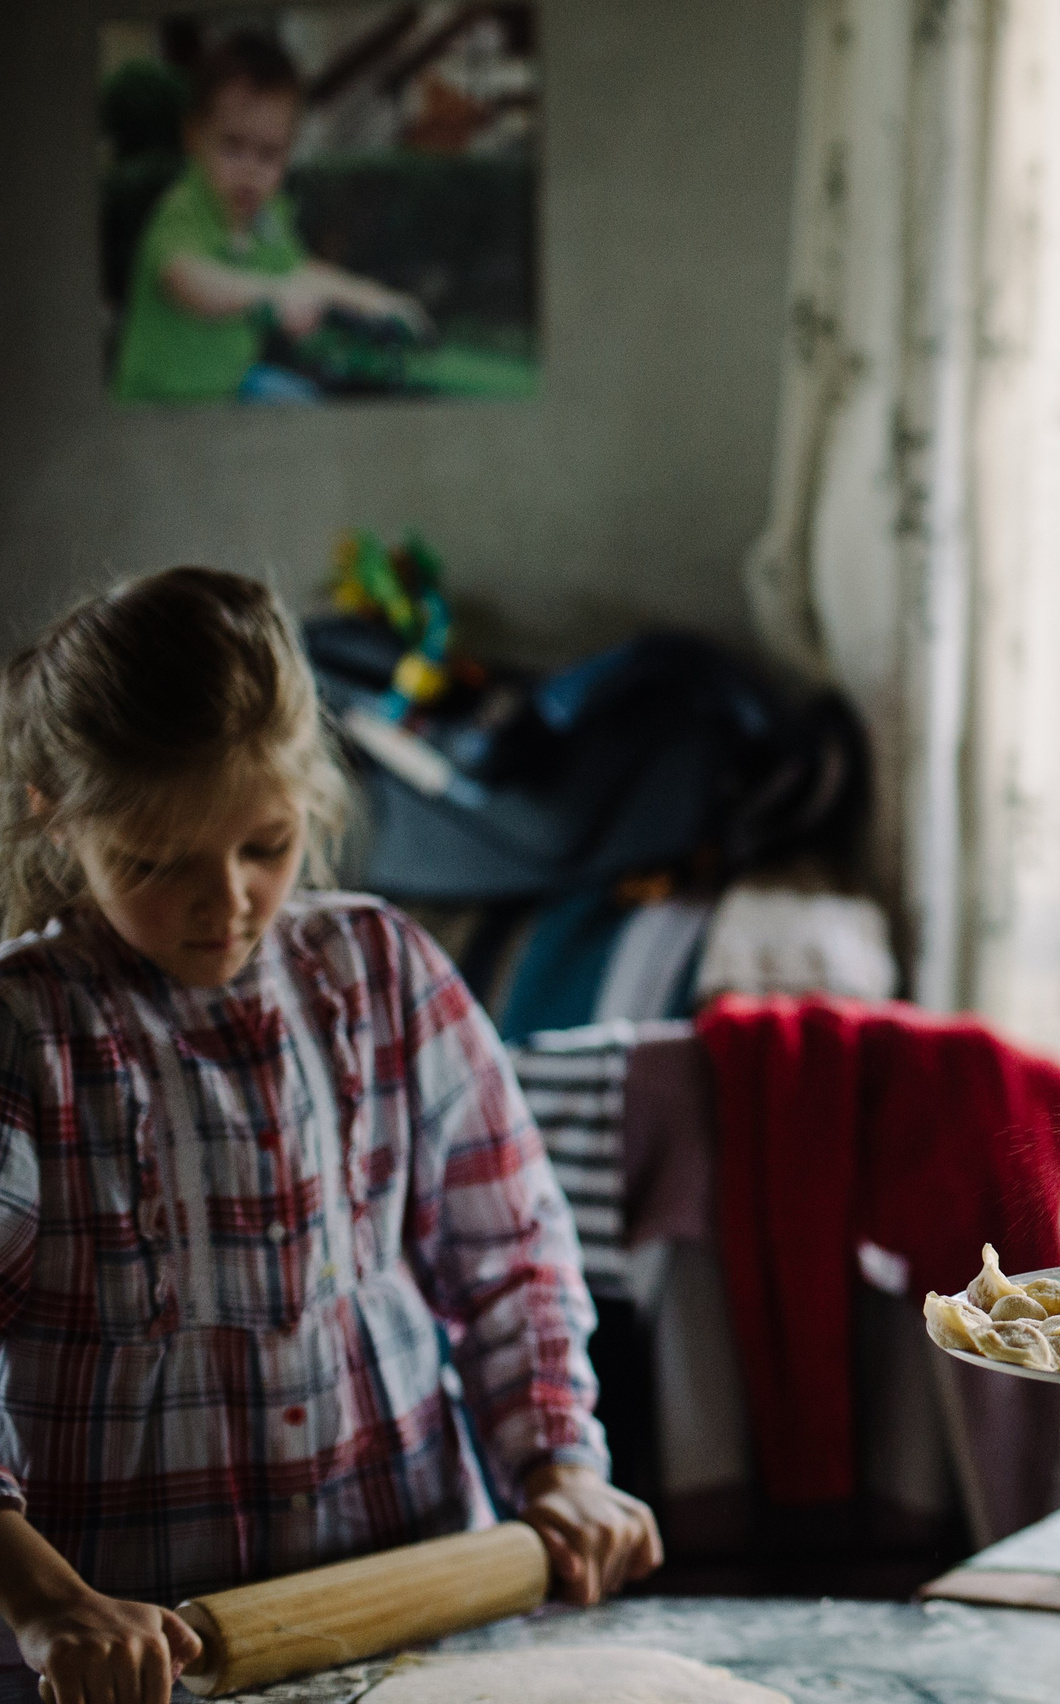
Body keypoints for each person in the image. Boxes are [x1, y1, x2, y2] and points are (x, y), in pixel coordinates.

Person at [0, 570, 660, 1704]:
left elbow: (512, 1259)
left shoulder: (383, 972)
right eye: (158, 862)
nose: (227, 903)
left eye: (265, 844)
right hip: (131, 1663)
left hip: (406, 1625)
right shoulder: (26, 1034)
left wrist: (558, 1465)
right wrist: (49, 1602)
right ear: (58, 811)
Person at [113, 33, 428, 405]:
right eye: (232, 147)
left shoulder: (267, 215)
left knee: (310, 406)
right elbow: (187, 279)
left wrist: (373, 299)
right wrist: (272, 293)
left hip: (229, 383)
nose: (249, 171)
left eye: (268, 155)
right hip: (160, 404)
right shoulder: (183, 208)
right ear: (195, 137)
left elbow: (301, 272)